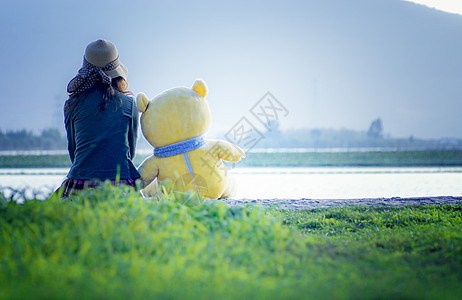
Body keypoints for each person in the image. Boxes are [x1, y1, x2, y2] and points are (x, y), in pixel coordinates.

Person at [57, 39, 140, 198]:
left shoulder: (72, 104)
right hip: (120, 182)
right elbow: (131, 150)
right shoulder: (130, 104)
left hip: (81, 180)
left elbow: (74, 152)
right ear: (118, 74)